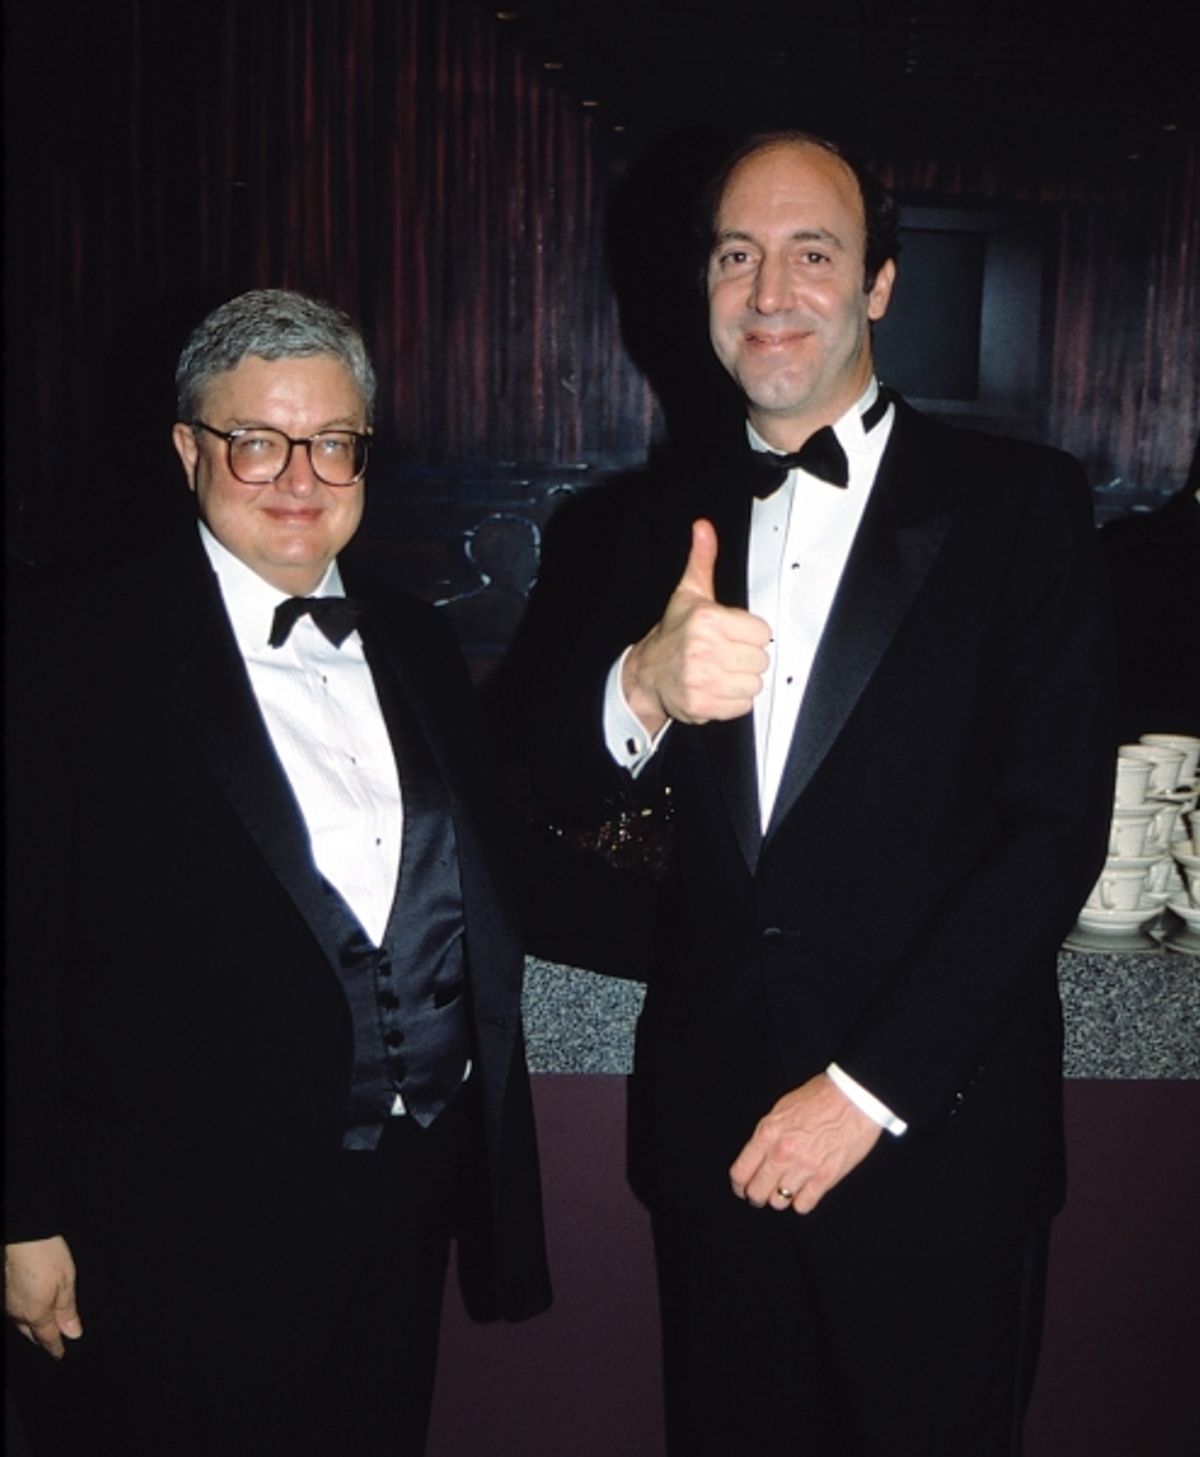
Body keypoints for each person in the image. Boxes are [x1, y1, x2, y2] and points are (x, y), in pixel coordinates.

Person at [533, 133, 1113, 1455]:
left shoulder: (1023, 505)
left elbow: (1054, 830)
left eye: (814, 252)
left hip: (936, 1142)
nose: (772, 289)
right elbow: (556, 783)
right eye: (738, 255)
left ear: (881, 285)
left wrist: (862, 1090)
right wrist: (645, 683)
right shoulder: (636, 525)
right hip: (718, 1140)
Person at [5, 288, 550, 1457]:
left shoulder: (414, 635)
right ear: (189, 449)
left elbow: (494, 872)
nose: (299, 476)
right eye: (257, 440)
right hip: (163, 1228)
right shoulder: (67, 649)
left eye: (333, 440)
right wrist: (20, 1216)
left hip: (395, 1207)